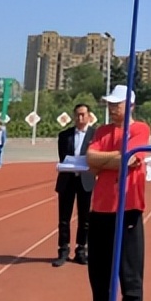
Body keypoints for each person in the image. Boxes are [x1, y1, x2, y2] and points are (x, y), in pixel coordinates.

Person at [85, 85, 150, 301]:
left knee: (130, 274)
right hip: (100, 210)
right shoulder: (102, 130)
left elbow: (131, 159)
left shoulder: (140, 129)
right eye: (110, 104)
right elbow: (91, 160)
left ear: (130, 105)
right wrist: (115, 159)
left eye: (116, 104)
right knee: (98, 274)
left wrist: (107, 160)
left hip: (128, 209)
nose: (111, 108)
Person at [54, 103, 97, 267]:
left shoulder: (95, 135)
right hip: (67, 180)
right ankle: (63, 250)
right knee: (64, 219)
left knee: (85, 218)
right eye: (77, 115)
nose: (80, 118)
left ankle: (81, 250)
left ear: (89, 116)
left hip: (86, 180)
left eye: (83, 114)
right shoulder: (64, 135)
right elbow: (63, 157)